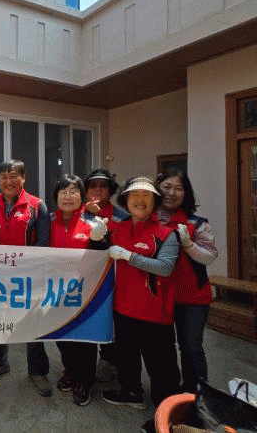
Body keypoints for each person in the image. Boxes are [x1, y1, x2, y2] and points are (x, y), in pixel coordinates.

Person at [101, 177, 181, 433]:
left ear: (155, 202)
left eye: (146, 196)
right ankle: (132, 392)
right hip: (122, 308)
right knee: (126, 357)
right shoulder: (119, 229)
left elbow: (165, 268)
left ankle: (168, 418)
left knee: (162, 369)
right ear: (125, 200)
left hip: (154, 314)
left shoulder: (167, 234)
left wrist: (129, 256)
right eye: (134, 195)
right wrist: (97, 234)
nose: (139, 200)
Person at [0, 160, 53, 397]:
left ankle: (37, 371)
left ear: (23, 178)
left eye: (13, 176)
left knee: (32, 321)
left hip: (27, 277)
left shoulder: (37, 205)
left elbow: (44, 242)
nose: (8, 181)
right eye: (3, 177)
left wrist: (25, 266)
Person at [156, 169, 218, 394]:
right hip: (160, 296)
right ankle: (170, 395)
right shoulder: (149, 220)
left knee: (191, 347)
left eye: (178, 188)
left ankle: (198, 396)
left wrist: (189, 245)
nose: (171, 193)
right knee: (163, 348)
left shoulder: (197, 223)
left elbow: (210, 256)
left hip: (193, 297)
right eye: (166, 187)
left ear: (186, 193)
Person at [50, 175, 108, 407]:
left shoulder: (94, 222)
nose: (68, 196)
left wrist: (98, 240)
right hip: (56, 291)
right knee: (62, 335)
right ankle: (70, 370)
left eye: (73, 191)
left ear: (81, 196)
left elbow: (104, 256)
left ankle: (85, 379)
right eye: (63, 191)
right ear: (56, 197)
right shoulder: (48, 221)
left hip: (86, 292)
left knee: (84, 338)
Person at [82, 168, 129, 382]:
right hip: (86, 281)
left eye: (103, 186)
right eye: (93, 186)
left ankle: (109, 360)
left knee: (113, 324)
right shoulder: (79, 214)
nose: (98, 190)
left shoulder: (123, 216)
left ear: (111, 190)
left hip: (116, 281)